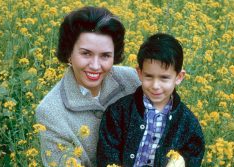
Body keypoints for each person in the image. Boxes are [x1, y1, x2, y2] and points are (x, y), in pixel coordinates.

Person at [35, 6, 141, 167]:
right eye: (86, 54)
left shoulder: (133, 80)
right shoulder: (50, 112)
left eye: (105, 55)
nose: (95, 66)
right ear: (69, 53)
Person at [97, 33, 205, 167]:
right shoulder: (119, 112)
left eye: (164, 78)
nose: (155, 85)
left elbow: (194, 153)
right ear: (139, 73)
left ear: (179, 77)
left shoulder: (188, 122)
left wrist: (182, 161)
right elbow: (107, 153)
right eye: (149, 76)